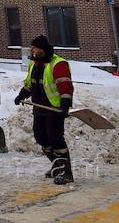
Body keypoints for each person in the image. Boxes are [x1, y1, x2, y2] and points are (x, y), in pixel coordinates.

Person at [14, 35, 75, 184]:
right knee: (41, 138)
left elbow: (65, 86)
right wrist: (22, 95)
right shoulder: (34, 63)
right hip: (39, 108)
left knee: (55, 140)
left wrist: (65, 105)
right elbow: (30, 83)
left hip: (54, 109)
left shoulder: (58, 64)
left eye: (34, 47)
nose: (32, 50)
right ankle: (57, 166)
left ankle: (67, 173)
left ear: (42, 49)